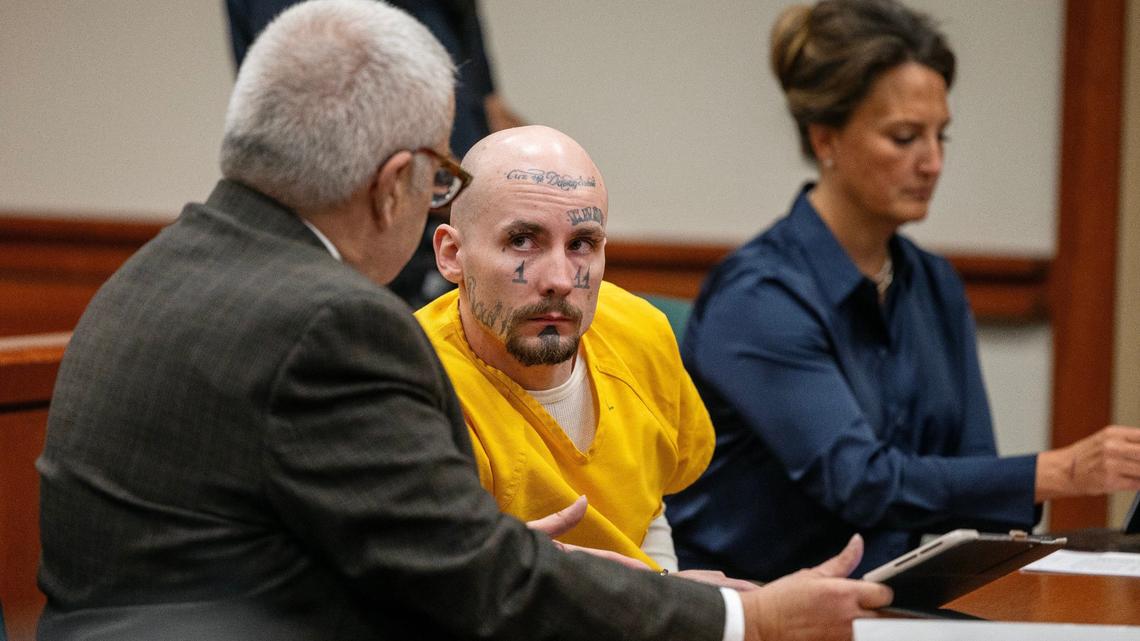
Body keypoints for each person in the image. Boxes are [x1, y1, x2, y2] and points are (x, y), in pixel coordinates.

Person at [36, 1, 890, 640]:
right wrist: (747, 619)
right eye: (442, 174)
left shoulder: (150, 274)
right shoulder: (334, 325)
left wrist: (516, 560)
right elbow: (481, 584)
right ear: (395, 185)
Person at [666, 0, 1140, 583]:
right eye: (905, 137)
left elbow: (973, 482)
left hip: (888, 600)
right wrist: (1065, 471)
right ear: (826, 140)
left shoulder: (935, 285)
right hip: (754, 602)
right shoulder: (757, 296)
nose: (933, 162)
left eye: (942, 136)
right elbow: (859, 482)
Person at [417, 125, 734, 580]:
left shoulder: (640, 333)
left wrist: (664, 585)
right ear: (452, 254)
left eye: (581, 244)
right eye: (522, 240)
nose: (560, 280)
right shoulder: (412, 380)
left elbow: (648, 506)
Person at [225, 0, 523, 308]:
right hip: (391, 228)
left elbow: (489, 105)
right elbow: (309, 139)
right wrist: (467, 194)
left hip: (442, 205)